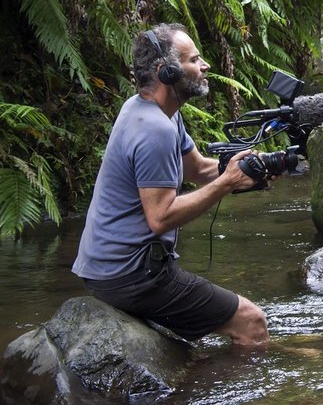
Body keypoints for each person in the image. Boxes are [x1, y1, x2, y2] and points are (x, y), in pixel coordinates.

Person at [72, 23, 268, 347]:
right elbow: (160, 218)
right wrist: (227, 183)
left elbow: (200, 169)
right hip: (130, 276)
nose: (205, 66)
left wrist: (252, 167)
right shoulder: (154, 129)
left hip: (107, 268)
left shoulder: (156, 112)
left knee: (214, 326)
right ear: (167, 71)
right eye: (194, 60)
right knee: (252, 322)